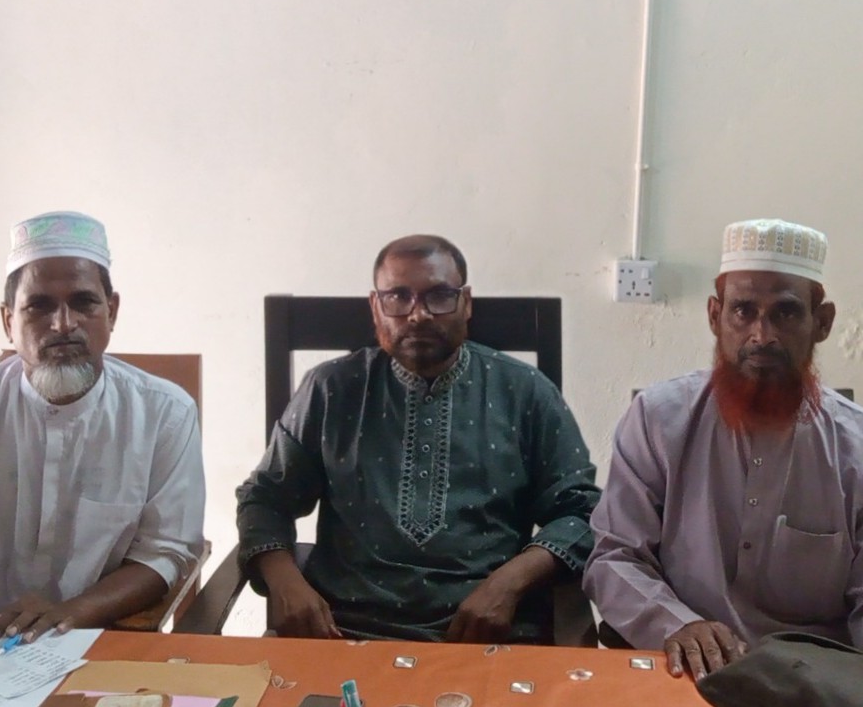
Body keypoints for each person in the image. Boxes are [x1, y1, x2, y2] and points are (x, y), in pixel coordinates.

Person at [585, 219, 863, 682]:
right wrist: (677, 624)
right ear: (715, 316)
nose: (762, 335)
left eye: (786, 313)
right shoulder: (656, 421)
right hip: (685, 671)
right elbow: (615, 557)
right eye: (743, 311)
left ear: (822, 323)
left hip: (816, 683)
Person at [0, 211, 204, 676]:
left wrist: (72, 612)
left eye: (84, 303)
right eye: (39, 307)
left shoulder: (165, 414)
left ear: (112, 312)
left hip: (97, 639)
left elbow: (163, 552)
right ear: (8, 321)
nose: (63, 324)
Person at [236, 234, 599, 643]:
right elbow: (265, 498)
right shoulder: (331, 389)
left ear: (466, 303)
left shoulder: (525, 391)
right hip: (341, 631)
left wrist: (508, 585)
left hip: (485, 633)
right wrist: (286, 582)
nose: (418, 315)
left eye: (439, 296)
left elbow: (582, 513)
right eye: (398, 297)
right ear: (376, 306)